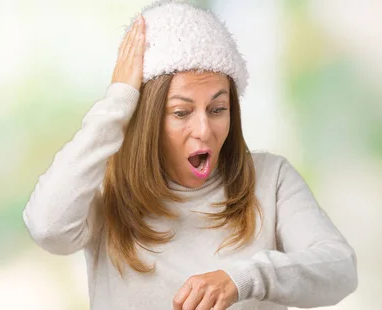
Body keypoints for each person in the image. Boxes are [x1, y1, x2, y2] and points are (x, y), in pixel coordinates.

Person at [22, 0, 358, 309]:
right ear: (147, 119)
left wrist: (243, 279)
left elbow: (340, 268)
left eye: (217, 109)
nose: (204, 130)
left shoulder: (271, 179)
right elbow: (47, 227)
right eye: (181, 113)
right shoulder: (107, 196)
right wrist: (119, 102)